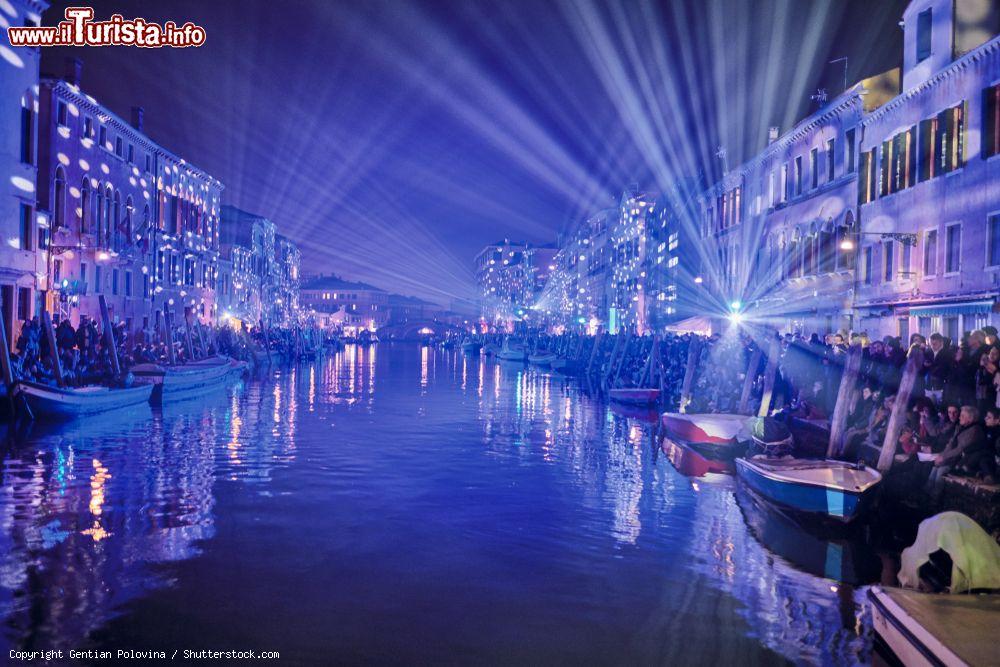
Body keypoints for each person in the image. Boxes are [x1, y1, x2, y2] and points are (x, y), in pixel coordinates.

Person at [925, 405, 987, 499]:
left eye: (962, 416)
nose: (959, 417)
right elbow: (950, 444)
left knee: (941, 471)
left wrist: (944, 458)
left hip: (964, 460)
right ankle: (926, 494)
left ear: (970, 419)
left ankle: (935, 498)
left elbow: (960, 449)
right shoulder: (960, 427)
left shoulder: (974, 430)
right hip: (953, 457)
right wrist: (941, 456)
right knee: (935, 468)